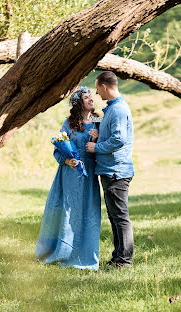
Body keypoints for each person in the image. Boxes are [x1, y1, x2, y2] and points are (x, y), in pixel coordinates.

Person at [36, 86, 101, 271]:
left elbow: (105, 145)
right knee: (67, 211)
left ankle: (84, 255)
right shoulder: (69, 124)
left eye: (91, 96)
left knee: (87, 212)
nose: (91, 99)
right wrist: (67, 160)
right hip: (69, 175)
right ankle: (62, 252)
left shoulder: (98, 121)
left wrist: (99, 137)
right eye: (87, 97)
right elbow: (58, 149)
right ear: (79, 103)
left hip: (89, 175)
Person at [86, 71, 134, 267]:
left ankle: (124, 261)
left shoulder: (118, 110)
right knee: (114, 216)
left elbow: (119, 139)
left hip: (116, 170)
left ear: (104, 87)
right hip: (108, 169)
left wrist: (96, 147)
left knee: (120, 217)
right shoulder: (111, 109)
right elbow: (112, 136)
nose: (97, 93)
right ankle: (118, 257)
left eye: (97, 88)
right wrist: (98, 135)